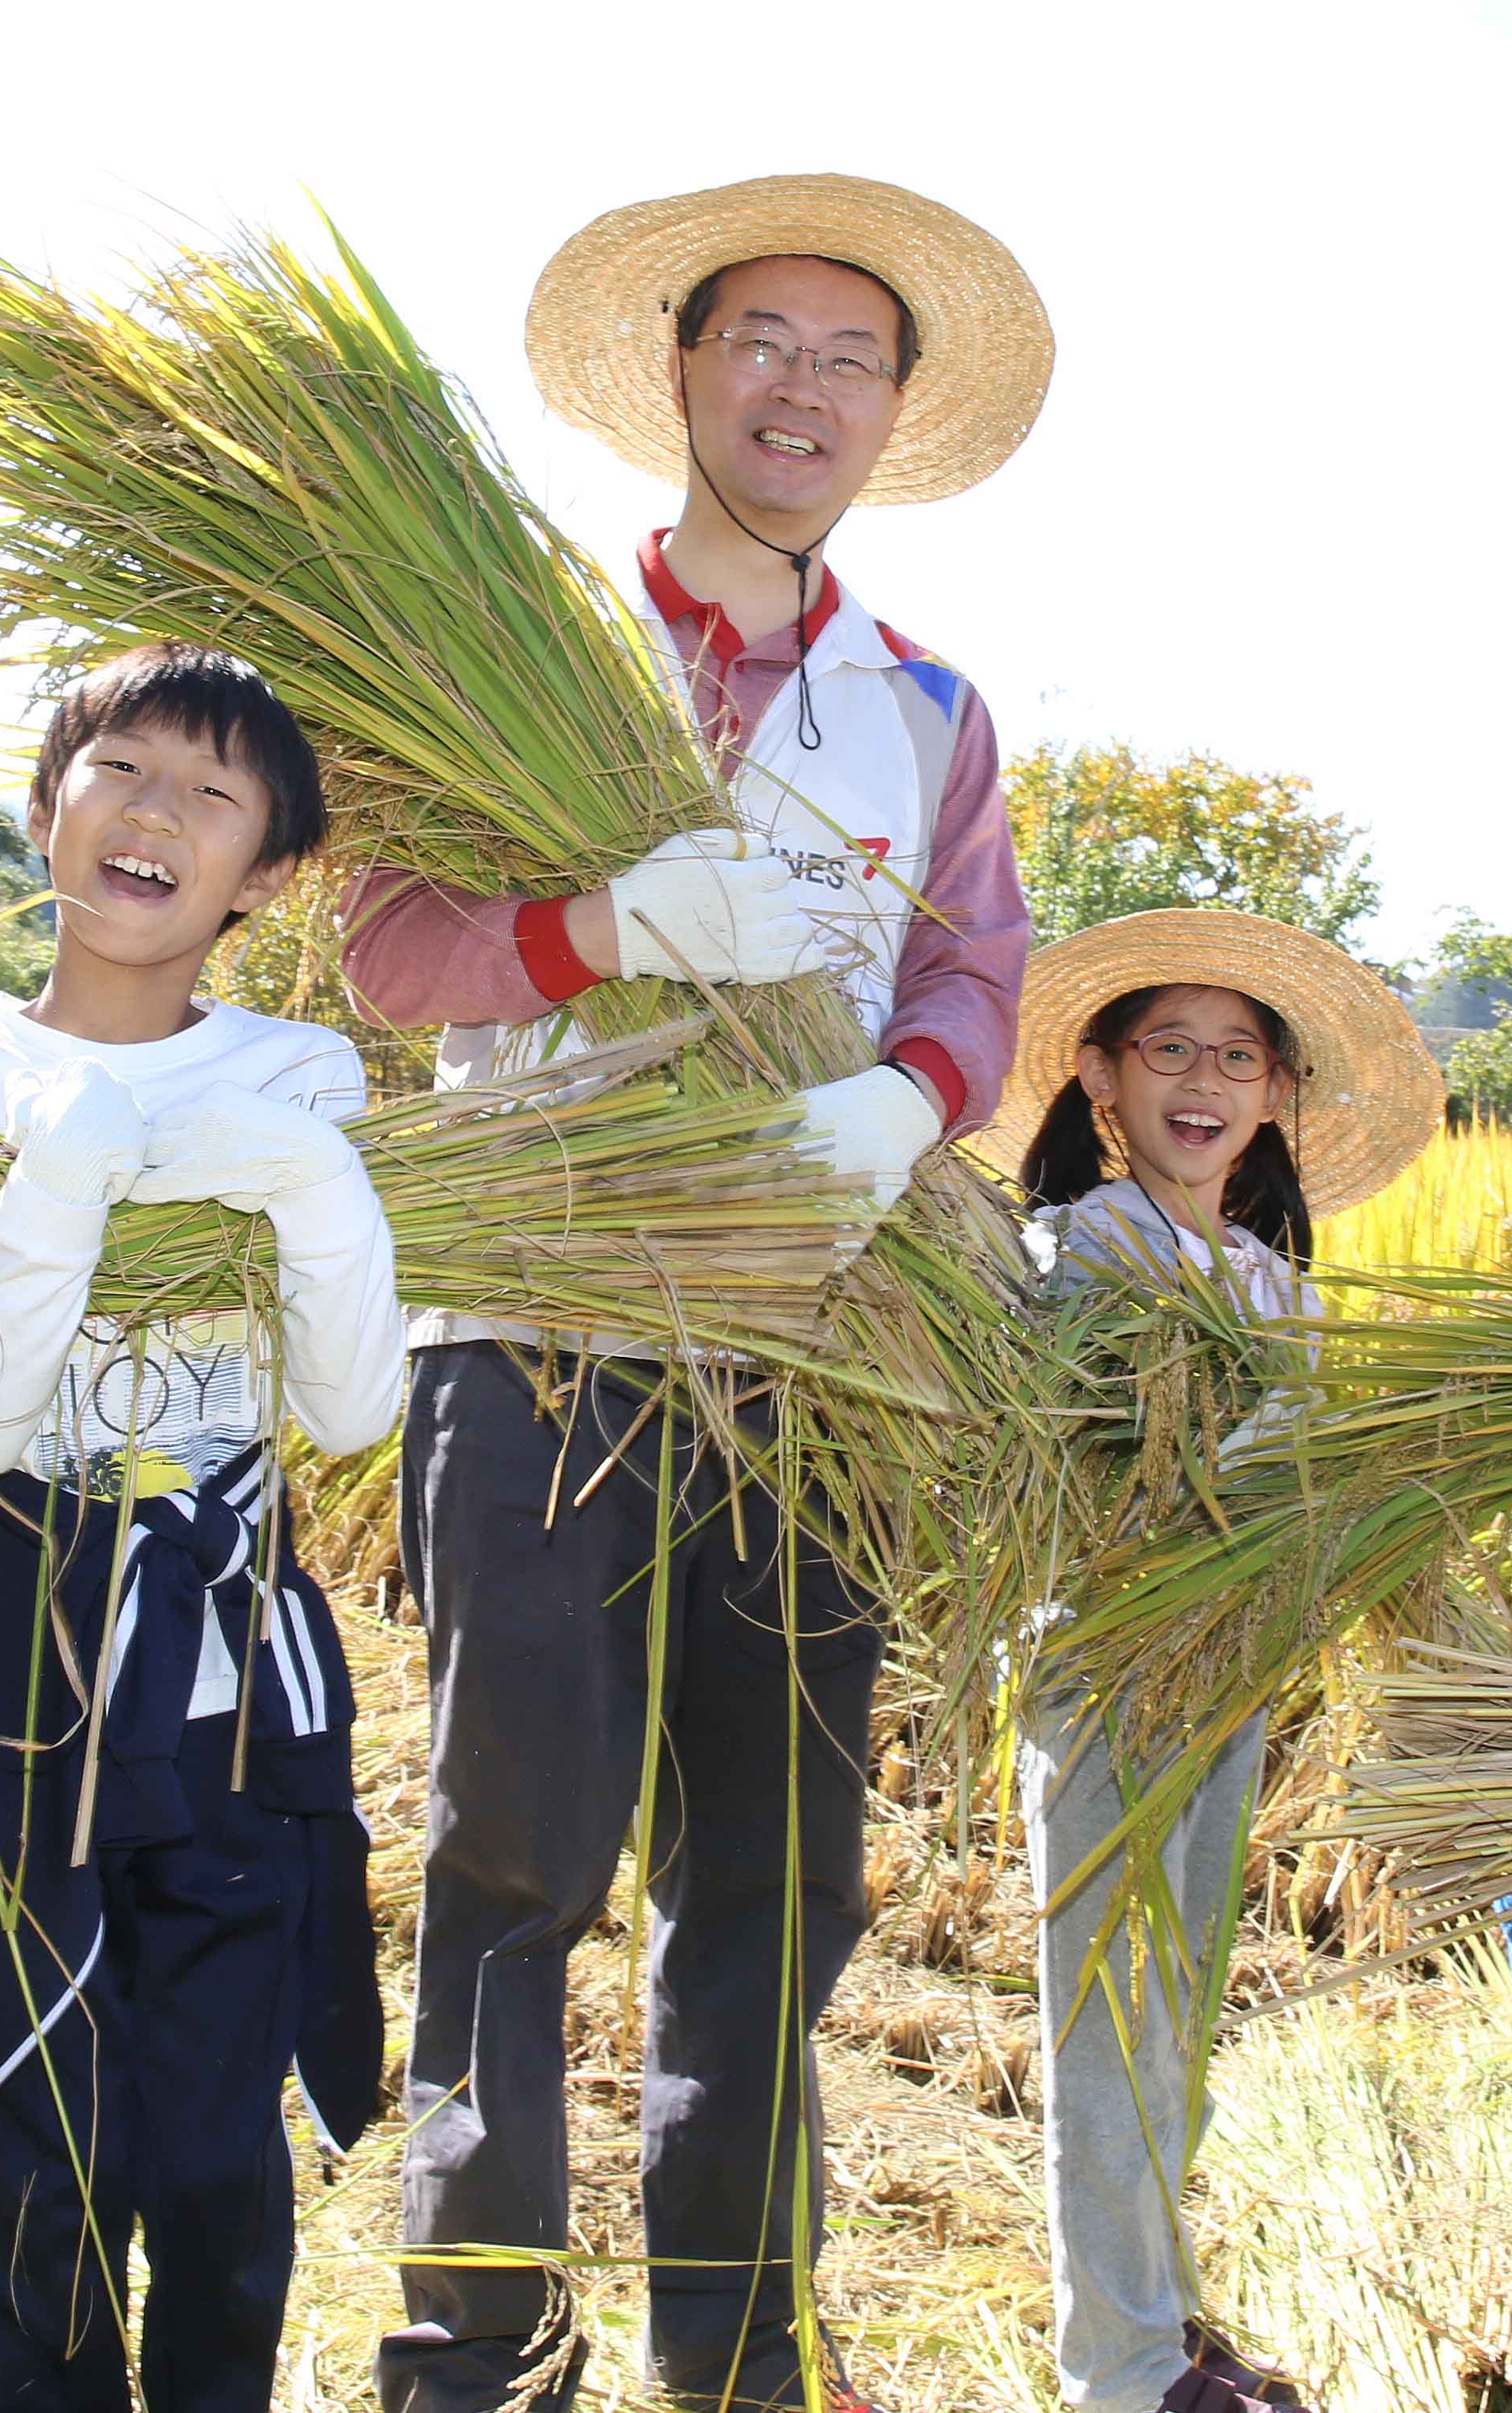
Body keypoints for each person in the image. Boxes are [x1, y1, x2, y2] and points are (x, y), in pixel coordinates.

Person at [342, 172, 1045, 2413]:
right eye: (765, 341)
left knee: (774, 1878)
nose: (803, 387)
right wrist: (600, 932)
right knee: (510, 1858)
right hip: (533, 1326)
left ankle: (743, 2350)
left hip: (808, 1353)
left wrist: (903, 1110)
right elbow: (384, 948)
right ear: (677, 369)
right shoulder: (516, 650)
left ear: (896, 416)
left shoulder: (924, 711)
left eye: (852, 357)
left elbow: (976, 979)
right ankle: (477, 2339)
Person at [0, 642, 400, 2413]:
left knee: (214, 2144)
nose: (154, 815)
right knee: (26, 2126)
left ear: (264, 873)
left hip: (225, 1669)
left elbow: (349, 1411)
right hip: (4, 1644)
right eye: (119, 768)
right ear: (50, 800)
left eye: (213, 795)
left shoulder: (298, 1070)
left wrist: (317, 1193)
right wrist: (59, 1175)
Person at [986, 906, 1445, 2413]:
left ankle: (1164, 2312)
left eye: (1236, 1056)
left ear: (1274, 1097)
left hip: (1227, 1677)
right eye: (1167, 1047)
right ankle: (1120, 2369)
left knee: (1178, 2009)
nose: (1203, 1078)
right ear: (1101, 1079)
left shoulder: (1275, 1283)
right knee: (1110, 2018)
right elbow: (1077, 1468)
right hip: (1110, 1669)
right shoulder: (1071, 1252)